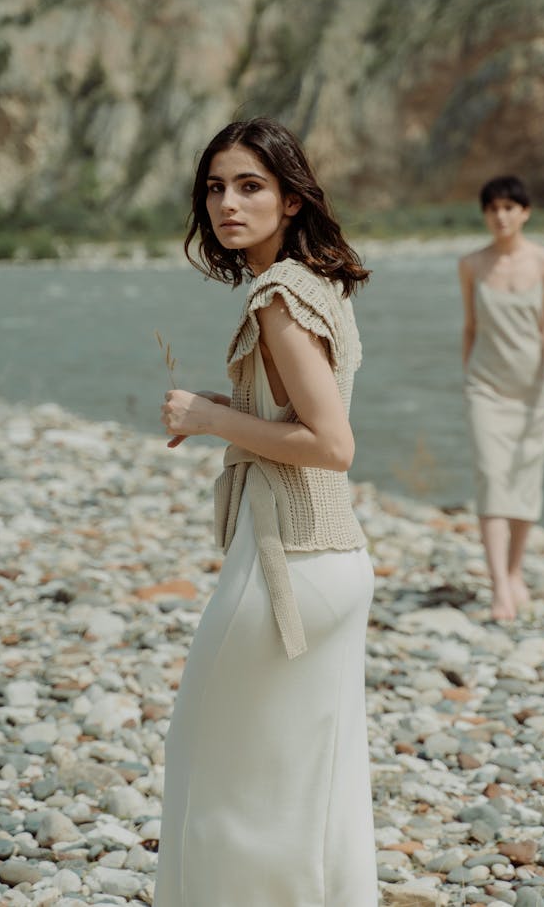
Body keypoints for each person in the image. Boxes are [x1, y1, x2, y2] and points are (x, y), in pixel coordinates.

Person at [155, 117, 378, 907]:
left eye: (250, 185)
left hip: (290, 567)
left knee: (212, 768)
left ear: (290, 198)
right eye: (215, 187)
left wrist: (212, 421)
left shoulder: (278, 294)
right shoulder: (319, 283)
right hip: (333, 561)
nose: (226, 202)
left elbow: (331, 441)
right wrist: (229, 404)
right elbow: (297, 414)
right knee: (316, 787)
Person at [458, 175, 544, 621]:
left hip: (534, 389)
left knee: (524, 480)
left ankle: (516, 569)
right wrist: (469, 378)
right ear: (485, 214)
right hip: (486, 387)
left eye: (509, 207)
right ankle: (500, 586)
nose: (500, 216)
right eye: (493, 208)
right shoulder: (471, 264)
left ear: (524, 212)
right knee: (492, 477)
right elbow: (469, 327)